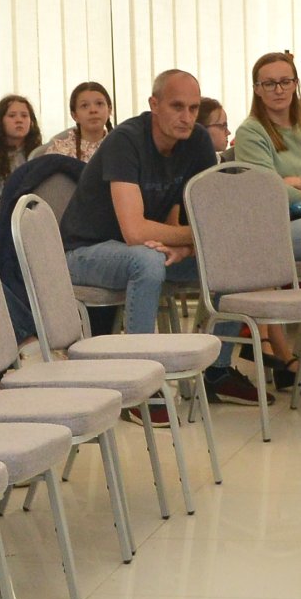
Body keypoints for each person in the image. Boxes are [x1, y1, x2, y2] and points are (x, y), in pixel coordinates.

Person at [60, 70, 257, 406]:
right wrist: (191, 238)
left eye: (193, 109)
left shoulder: (196, 141)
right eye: (177, 107)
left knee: (232, 259)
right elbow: (135, 232)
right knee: (147, 261)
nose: (187, 117)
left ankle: (217, 371)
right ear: (154, 105)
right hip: (84, 251)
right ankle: (138, 384)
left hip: (151, 249)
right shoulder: (126, 141)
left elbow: (209, 219)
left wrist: (186, 246)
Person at [232, 51, 301, 265]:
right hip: (276, 226)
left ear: (295, 84)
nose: (279, 90)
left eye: (285, 82)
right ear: (257, 89)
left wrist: (294, 182)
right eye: (269, 84)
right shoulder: (250, 132)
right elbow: (268, 190)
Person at [35, 80, 113, 163]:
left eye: (99, 104)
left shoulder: (120, 145)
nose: (93, 110)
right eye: (84, 106)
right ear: (74, 115)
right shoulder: (59, 151)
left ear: (109, 110)